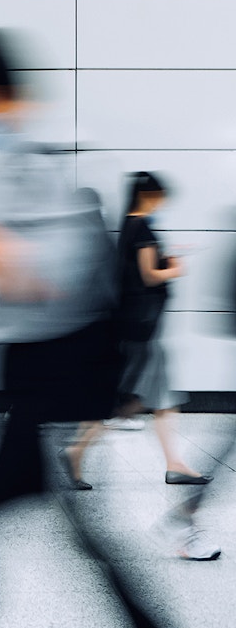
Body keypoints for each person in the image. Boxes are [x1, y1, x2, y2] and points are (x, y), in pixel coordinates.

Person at [0, 29, 203, 628]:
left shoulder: (36, 162)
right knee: (57, 531)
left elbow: (40, 275)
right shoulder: (37, 158)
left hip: (51, 385)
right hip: (43, 384)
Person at [115, 171, 212, 487]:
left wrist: (165, 259)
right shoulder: (142, 226)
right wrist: (175, 268)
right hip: (147, 327)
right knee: (156, 399)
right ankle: (80, 444)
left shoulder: (129, 225)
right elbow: (148, 276)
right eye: (159, 197)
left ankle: (175, 463)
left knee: (151, 397)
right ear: (149, 196)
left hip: (139, 324)